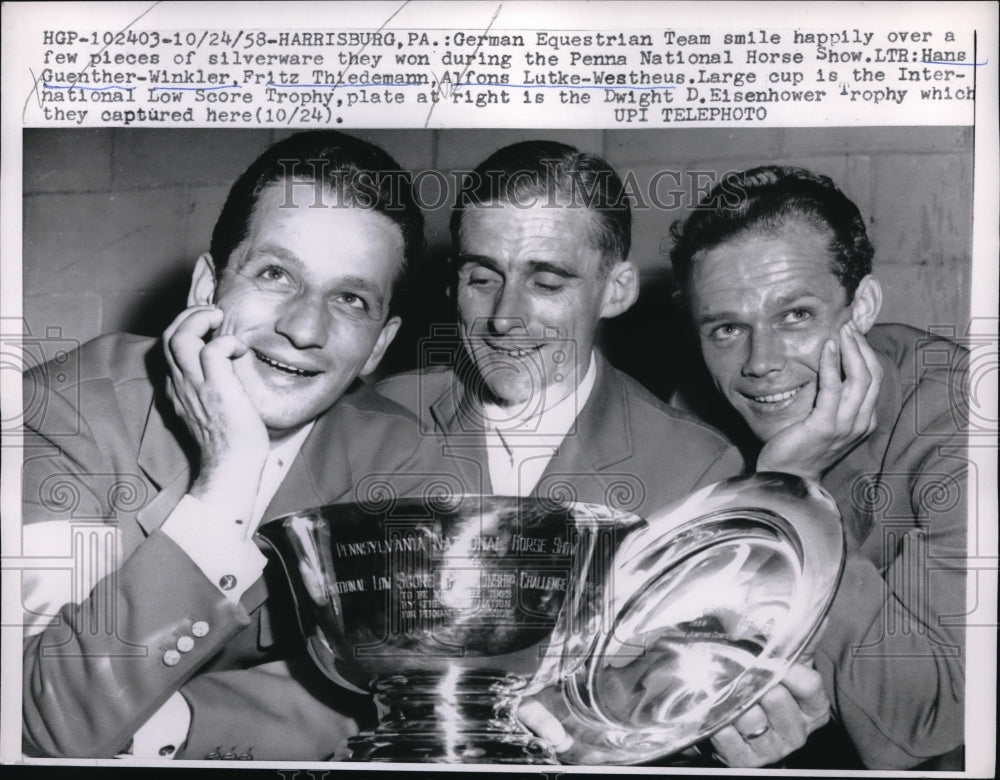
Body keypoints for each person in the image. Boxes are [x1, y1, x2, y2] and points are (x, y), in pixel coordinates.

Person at [376, 141, 829, 766]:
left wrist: (725, 751)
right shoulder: (372, 422)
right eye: (482, 278)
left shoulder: (698, 471)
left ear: (615, 290)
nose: (506, 317)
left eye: (547, 280)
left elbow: (674, 710)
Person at [21, 131, 432, 760]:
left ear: (378, 345)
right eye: (275, 273)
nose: (303, 327)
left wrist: (169, 725)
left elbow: (386, 700)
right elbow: (39, 721)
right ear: (205, 288)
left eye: (350, 299)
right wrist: (227, 481)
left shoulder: (394, 456)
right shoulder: (65, 412)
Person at [670, 165, 967, 769]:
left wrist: (787, 495)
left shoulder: (965, 426)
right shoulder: (689, 419)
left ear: (861, 308)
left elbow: (933, 719)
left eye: (795, 316)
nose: (759, 363)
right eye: (727, 328)